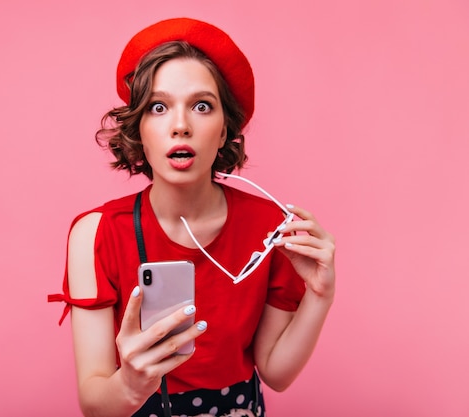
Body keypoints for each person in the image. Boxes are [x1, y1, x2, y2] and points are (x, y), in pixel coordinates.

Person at [48, 17, 336, 417]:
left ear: (223, 132)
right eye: (158, 107)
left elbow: (276, 372)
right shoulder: (95, 234)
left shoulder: (272, 228)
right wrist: (131, 383)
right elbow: (95, 406)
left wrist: (320, 296)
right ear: (139, 130)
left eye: (202, 106)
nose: (180, 126)